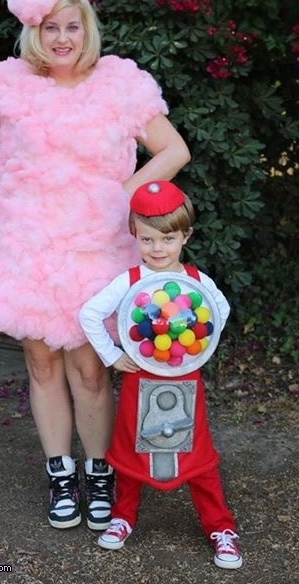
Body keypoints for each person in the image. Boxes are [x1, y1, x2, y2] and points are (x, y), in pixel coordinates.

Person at [0, 0, 191, 532]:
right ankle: (61, 472)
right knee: (40, 359)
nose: (61, 38)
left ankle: (99, 471)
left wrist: (118, 193)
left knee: (89, 366)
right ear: (35, 31)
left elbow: (173, 150)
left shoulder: (119, 85)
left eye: (71, 26)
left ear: (87, 29)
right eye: (50, 27)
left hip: (94, 245)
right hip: (25, 243)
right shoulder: (10, 84)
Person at [79, 180, 243, 569]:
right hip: (140, 379)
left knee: (197, 456)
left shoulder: (197, 282)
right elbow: (89, 313)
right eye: (148, 239)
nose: (157, 249)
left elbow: (220, 313)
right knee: (134, 451)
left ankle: (221, 528)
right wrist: (113, 354)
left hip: (186, 381)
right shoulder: (131, 282)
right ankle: (122, 517)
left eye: (167, 239)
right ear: (135, 234)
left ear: (186, 235)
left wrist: (198, 350)